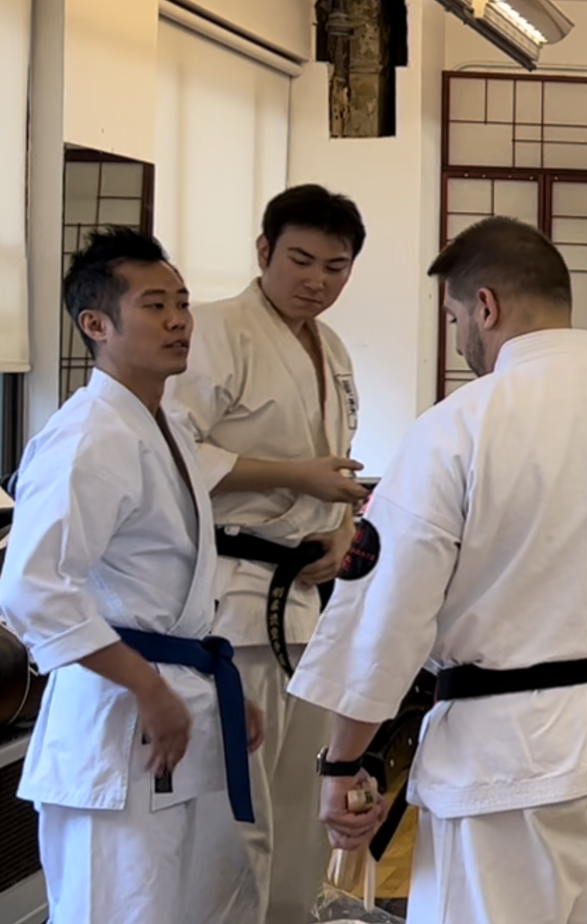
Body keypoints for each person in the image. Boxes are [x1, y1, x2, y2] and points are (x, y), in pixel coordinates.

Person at [284, 216, 587, 924]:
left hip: (509, 752)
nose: (459, 338)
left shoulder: (456, 427)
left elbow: (387, 615)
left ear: (486, 306)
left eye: (455, 318)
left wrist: (342, 761)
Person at [0, 228, 265, 924]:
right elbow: (32, 588)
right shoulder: (89, 435)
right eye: (154, 305)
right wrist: (147, 686)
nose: (179, 320)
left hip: (173, 699)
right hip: (117, 720)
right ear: (97, 324)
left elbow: (172, 584)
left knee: (191, 905)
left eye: (182, 302)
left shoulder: (163, 422)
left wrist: (215, 686)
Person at [164, 183, 372, 924]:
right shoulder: (216, 331)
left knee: (299, 797)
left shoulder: (331, 347)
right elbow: (175, 453)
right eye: (301, 260)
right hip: (233, 595)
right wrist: (294, 477)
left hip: (305, 600)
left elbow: (335, 465)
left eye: (335, 267)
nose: (317, 281)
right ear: (263, 251)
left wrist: (341, 532)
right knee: (239, 802)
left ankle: (290, 912)